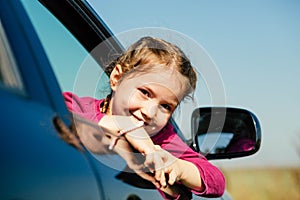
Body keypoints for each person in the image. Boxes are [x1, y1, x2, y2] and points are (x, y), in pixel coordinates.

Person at [63, 36, 225, 199]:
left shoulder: (163, 139)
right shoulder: (80, 107)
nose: (150, 112)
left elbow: (217, 182)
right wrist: (125, 125)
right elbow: (54, 112)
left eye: (165, 106)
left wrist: (177, 166)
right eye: (145, 93)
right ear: (116, 79)